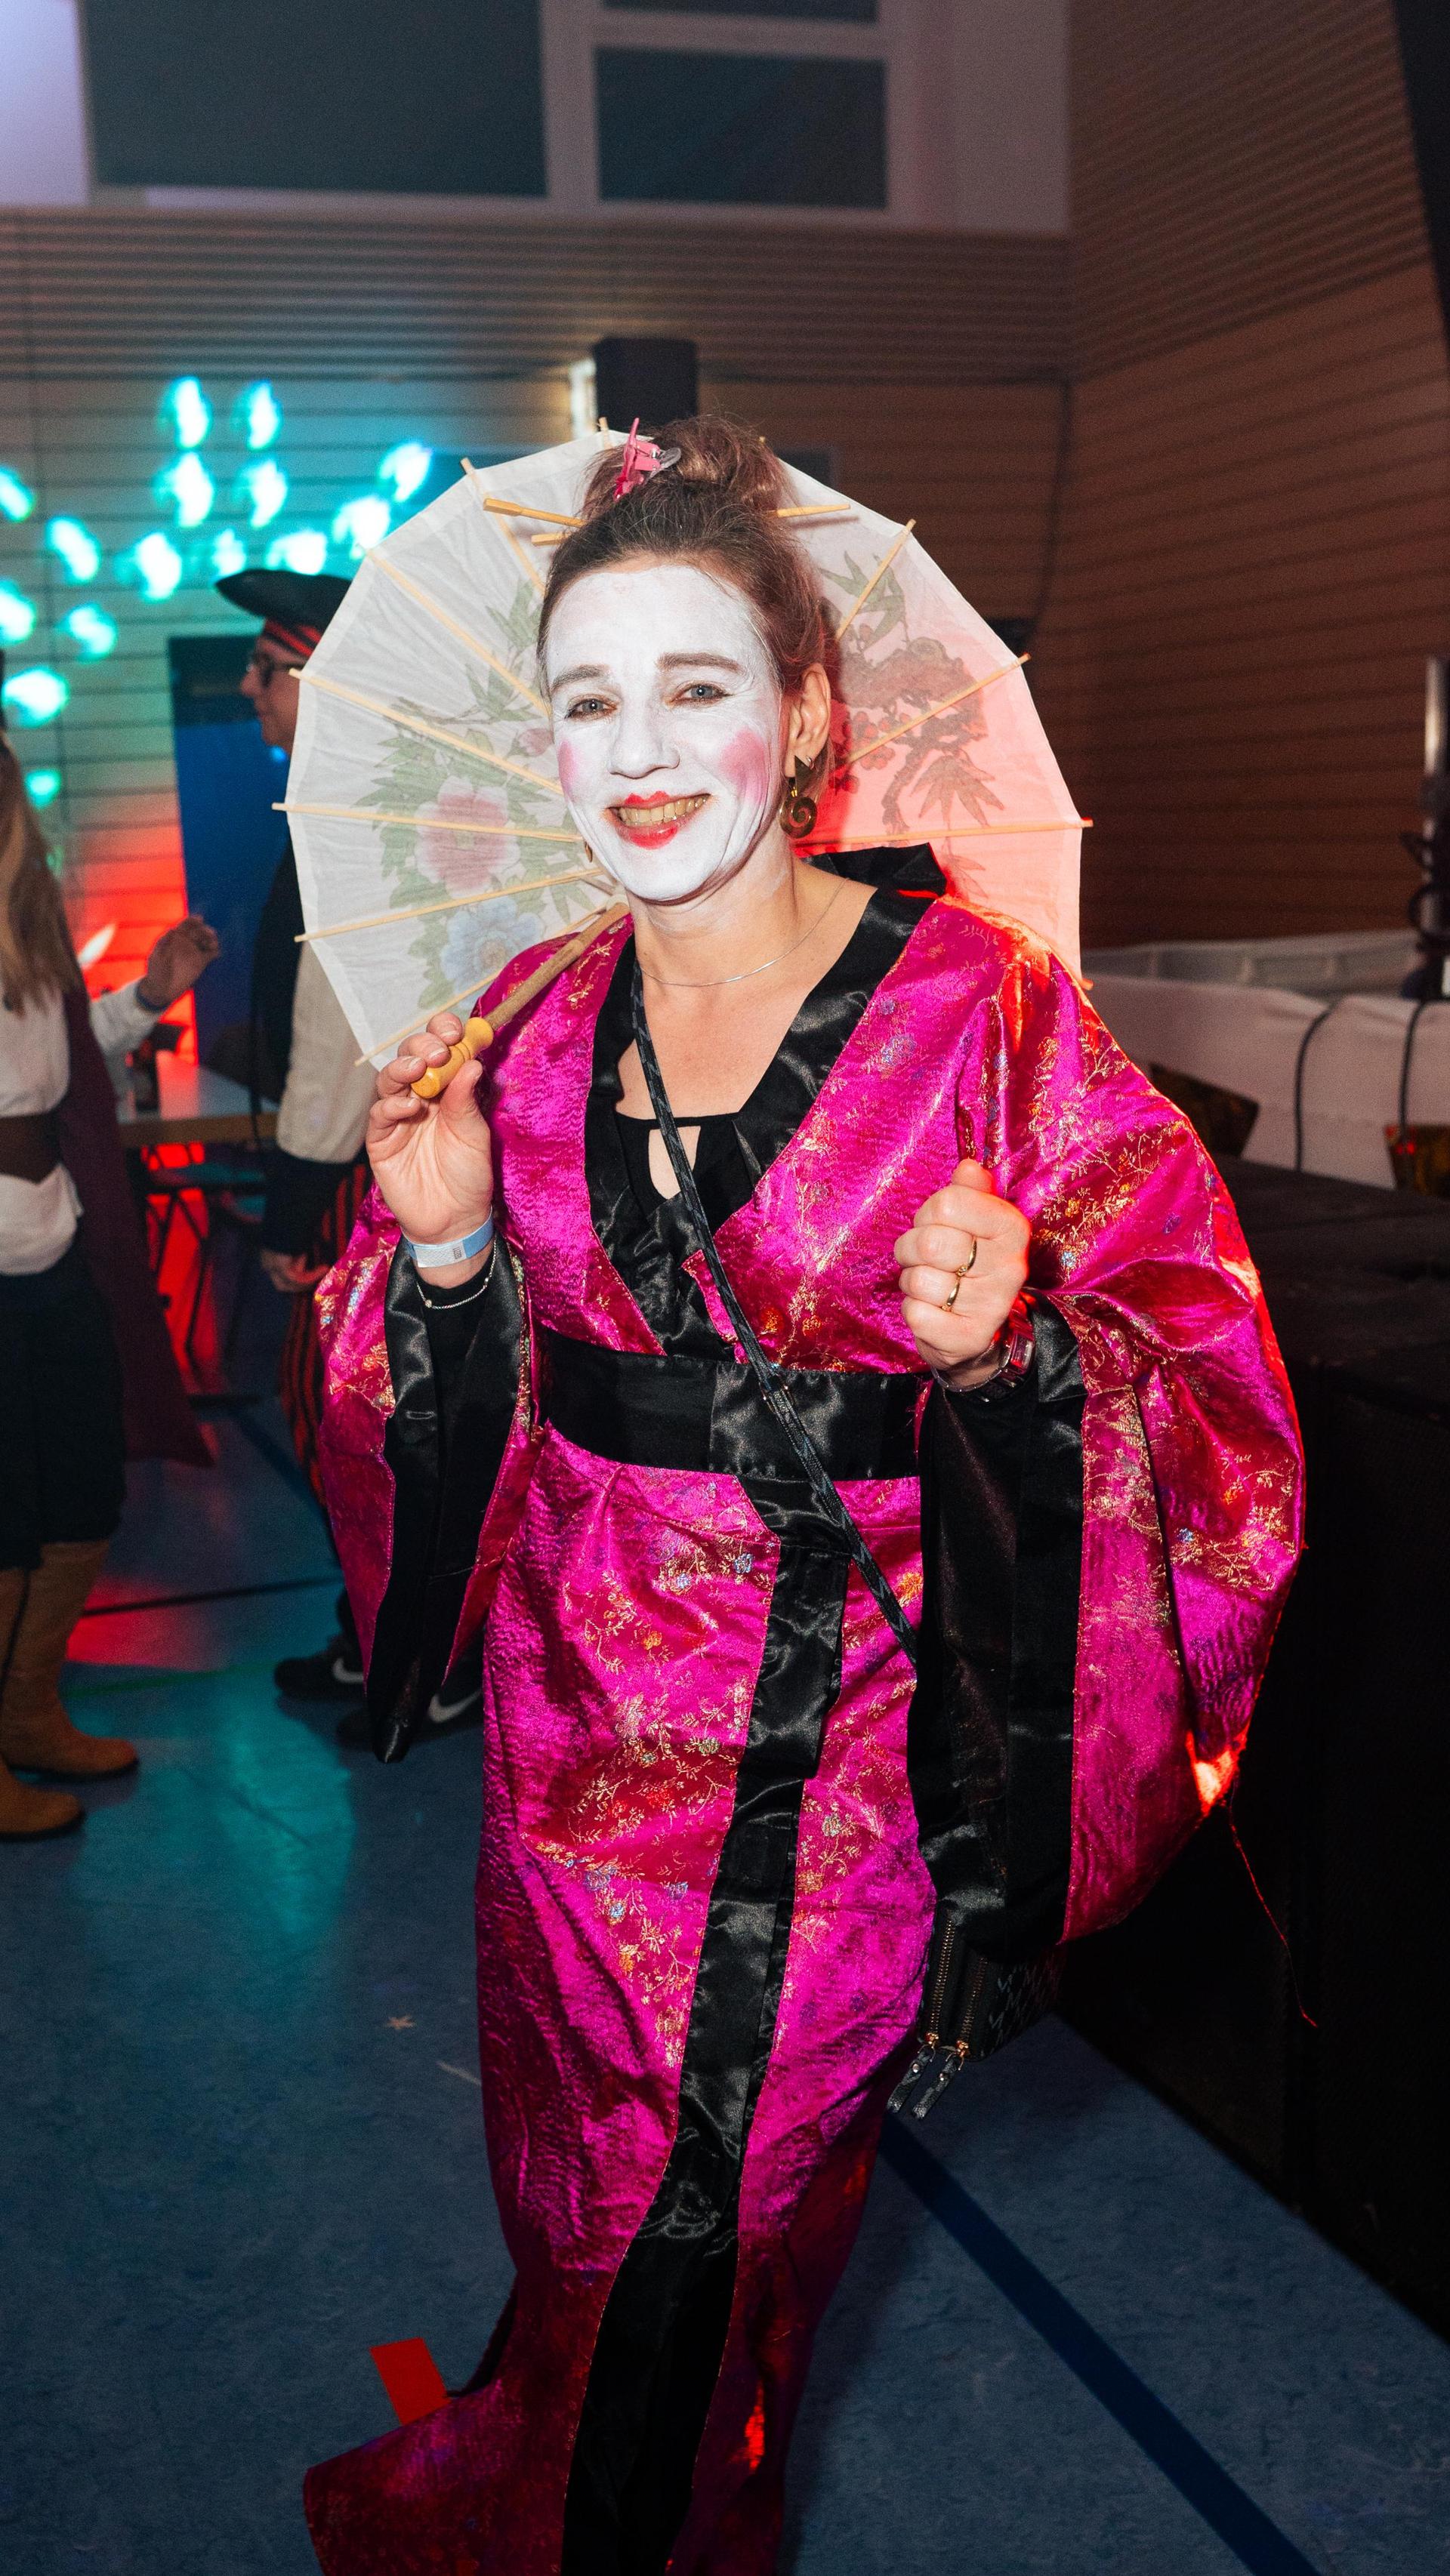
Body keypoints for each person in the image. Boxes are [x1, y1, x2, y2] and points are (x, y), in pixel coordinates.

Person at [302, 421, 1303, 2572]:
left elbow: (1207, 1396)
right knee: (615, 2254)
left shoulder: (987, 1015)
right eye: (588, 699)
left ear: (809, 716)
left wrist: (1014, 1343)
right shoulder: (519, 1029)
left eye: (694, 688)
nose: (639, 751)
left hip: (842, 1793)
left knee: (698, 2249)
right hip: (570, 1802)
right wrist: (456, 1250)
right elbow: (417, 1405)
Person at [0, 741, 218, 1840]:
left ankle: (29, 1712)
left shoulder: (29, 929)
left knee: (81, 1494)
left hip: (57, 1246)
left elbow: (65, 1062)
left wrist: (148, 997)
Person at [218, 569, 378, 1706]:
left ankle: (391, 1646)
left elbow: (335, 1036)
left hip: (357, 1173)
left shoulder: (344, 824)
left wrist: (293, 1207)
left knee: (336, 1411)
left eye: (265, 667)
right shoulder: (357, 803)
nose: (246, 684)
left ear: (311, 676)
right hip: (389, 1164)